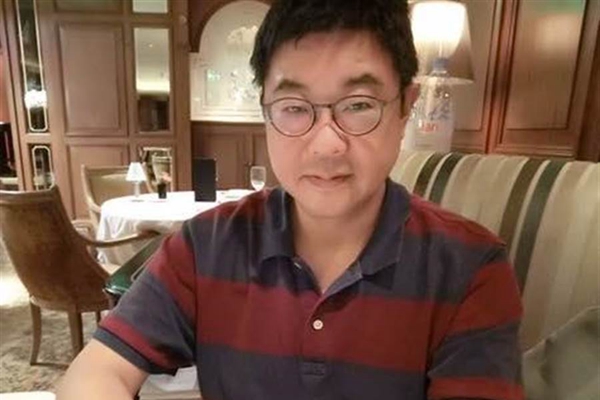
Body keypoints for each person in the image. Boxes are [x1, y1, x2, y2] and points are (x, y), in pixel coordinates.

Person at [58, 1, 523, 399]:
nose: (326, 144)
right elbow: (96, 371)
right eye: (295, 108)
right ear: (265, 112)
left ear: (406, 106)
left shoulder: (470, 269)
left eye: (359, 104)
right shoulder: (207, 245)